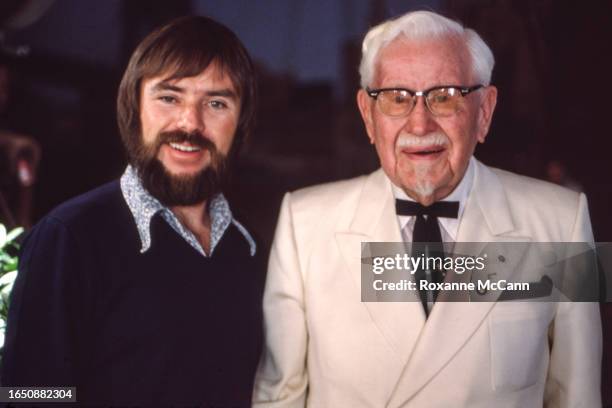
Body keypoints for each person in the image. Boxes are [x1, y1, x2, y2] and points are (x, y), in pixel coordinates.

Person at [253, 10, 601, 407]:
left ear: (484, 111)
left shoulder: (564, 221)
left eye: (445, 96)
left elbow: (580, 395)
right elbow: (277, 398)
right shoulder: (303, 224)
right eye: (397, 99)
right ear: (368, 116)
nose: (419, 124)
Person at [2, 16, 263, 407]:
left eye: (215, 103)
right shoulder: (69, 237)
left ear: (239, 122)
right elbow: (28, 395)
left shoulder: (251, 248)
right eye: (169, 97)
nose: (190, 123)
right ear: (134, 106)